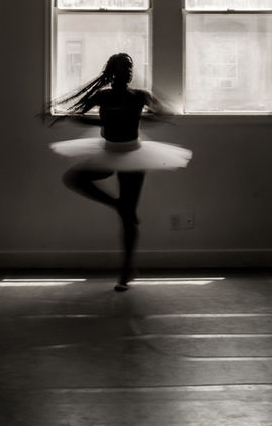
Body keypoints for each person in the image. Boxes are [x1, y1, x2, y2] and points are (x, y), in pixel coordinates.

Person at [46, 53, 191, 291]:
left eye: (131, 67)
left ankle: (126, 271)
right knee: (75, 178)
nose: (129, 71)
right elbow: (76, 116)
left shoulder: (140, 95)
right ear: (113, 72)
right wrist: (104, 123)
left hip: (133, 154)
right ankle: (117, 204)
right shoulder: (103, 96)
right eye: (124, 67)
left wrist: (152, 113)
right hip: (108, 151)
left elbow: (166, 113)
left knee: (128, 216)